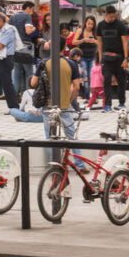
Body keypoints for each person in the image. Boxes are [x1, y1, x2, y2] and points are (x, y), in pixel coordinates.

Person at [37, 39, 82, 167]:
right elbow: (77, 86)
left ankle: (56, 165)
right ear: (65, 47)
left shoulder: (44, 63)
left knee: (50, 136)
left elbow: (33, 82)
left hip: (48, 105)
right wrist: (69, 99)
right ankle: (80, 164)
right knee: (71, 135)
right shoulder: (71, 64)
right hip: (64, 104)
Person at [95, 5, 129, 113]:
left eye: (114, 16)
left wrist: (126, 58)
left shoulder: (120, 25)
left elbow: (125, 42)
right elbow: (99, 42)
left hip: (119, 57)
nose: (112, 19)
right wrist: (100, 57)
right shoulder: (100, 26)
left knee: (121, 81)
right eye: (110, 17)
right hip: (106, 58)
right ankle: (107, 105)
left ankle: (121, 102)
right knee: (106, 81)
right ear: (106, 15)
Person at [73, 16, 100, 98]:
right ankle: (88, 97)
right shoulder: (80, 31)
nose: (90, 26)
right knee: (85, 77)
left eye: (92, 24)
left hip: (92, 57)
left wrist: (94, 41)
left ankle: (94, 96)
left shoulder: (96, 32)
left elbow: (101, 43)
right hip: (83, 57)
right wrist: (83, 40)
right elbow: (74, 42)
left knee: (92, 77)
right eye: (89, 23)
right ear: (85, 23)